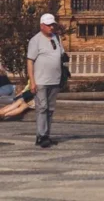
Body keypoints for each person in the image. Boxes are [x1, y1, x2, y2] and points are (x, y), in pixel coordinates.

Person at [27, 13, 65, 149]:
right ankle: (41, 135)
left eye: (53, 25)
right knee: (42, 108)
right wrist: (32, 81)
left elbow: (61, 55)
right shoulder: (35, 40)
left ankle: (46, 135)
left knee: (50, 109)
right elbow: (30, 61)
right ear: (42, 25)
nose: (51, 27)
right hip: (41, 80)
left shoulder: (56, 38)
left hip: (54, 80)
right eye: (48, 25)